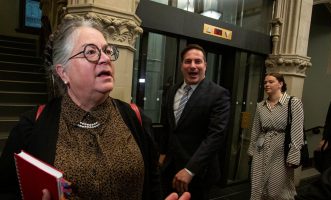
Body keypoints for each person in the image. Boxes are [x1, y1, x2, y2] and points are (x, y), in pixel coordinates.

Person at [0, 18, 162, 200]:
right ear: (63, 72)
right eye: (91, 52)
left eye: (107, 51)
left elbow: (153, 186)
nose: (106, 58)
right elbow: (7, 190)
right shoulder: (31, 127)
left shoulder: (136, 118)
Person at [159, 44, 231, 200]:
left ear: (205, 65)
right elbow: (168, 126)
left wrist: (190, 170)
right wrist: (162, 153)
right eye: (188, 61)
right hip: (170, 168)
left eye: (198, 61)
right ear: (181, 66)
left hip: (199, 173)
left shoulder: (218, 94)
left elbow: (216, 136)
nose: (193, 66)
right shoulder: (172, 91)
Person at [248, 73, 304, 200]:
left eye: (271, 81)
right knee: (257, 185)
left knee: (276, 188)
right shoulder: (260, 106)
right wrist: (252, 150)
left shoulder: (293, 102)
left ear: (281, 84)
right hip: (261, 150)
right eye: (265, 82)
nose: (267, 84)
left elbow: (297, 130)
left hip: (281, 151)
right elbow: (256, 129)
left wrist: (293, 155)